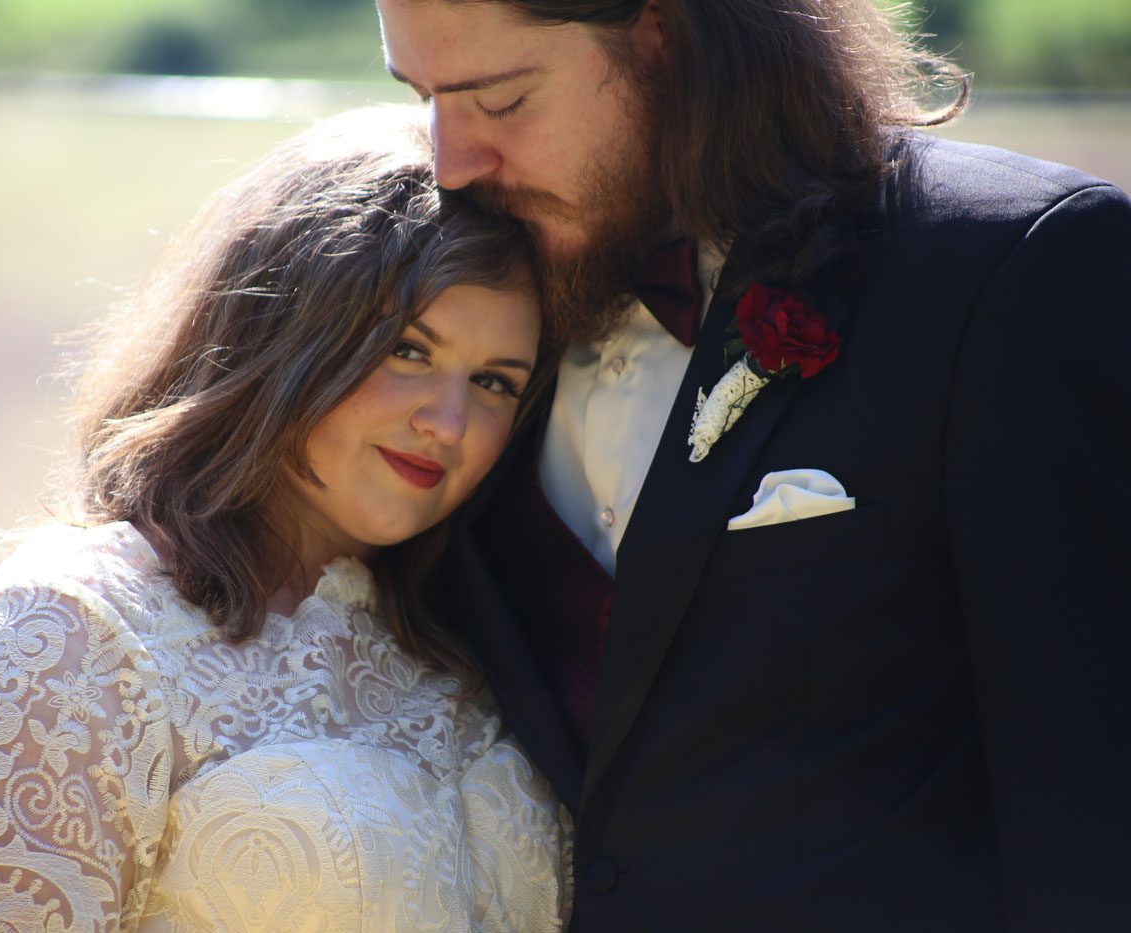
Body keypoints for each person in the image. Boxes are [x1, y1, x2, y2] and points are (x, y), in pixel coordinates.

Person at [374, 0, 1131, 928]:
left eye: (499, 100)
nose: (451, 166)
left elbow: (1092, 812)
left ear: (664, 37)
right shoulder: (450, 294)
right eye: (422, 98)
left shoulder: (1010, 271)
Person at [0, 107, 574, 931]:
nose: (448, 422)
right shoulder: (70, 636)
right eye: (408, 350)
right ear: (284, 334)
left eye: (494, 381)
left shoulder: (467, 642)